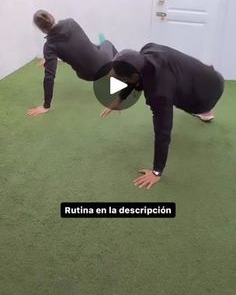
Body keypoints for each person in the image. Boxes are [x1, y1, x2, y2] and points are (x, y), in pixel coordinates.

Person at [101, 43, 225, 189]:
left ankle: (204, 109)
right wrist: (119, 100)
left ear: (134, 76)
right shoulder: (148, 50)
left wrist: (156, 171)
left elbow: (163, 132)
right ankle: (203, 102)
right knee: (176, 83)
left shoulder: (160, 92)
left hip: (208, 95)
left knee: (177, 99)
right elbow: (135, 78)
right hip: (211, 75)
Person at [27, 10, 117, 116]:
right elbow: (80, 44)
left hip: (87, 75)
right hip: (104, 63)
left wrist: (46, 106)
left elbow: (49, 77)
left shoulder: (49, 46)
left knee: (96, 47)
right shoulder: (70, 23)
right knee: (107, 43)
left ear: (42, 30)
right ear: (52, 17)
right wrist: (49, 58)